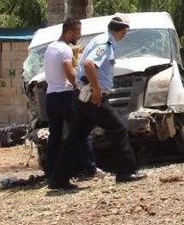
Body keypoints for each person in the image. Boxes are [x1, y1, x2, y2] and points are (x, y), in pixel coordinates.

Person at [48, 16, 146, 189]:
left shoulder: (99, 39)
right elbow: (89, 64)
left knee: (76, 138)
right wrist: (97, 89)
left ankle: (58, 179)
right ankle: (126, 172)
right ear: (122, 31)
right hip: (93, 96)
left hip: (82, 95)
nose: (126, 34)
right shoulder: (106, 44)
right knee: (118, 128)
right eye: (126, 31)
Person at [43, 18, 101, 178]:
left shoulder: (50, 48)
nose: (79, 36)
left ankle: (51, 172)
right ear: (69, 32)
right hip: (65, 96)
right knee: (81, 131)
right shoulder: (65, 50)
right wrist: (82, 88)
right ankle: (91, 170)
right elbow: (70, 73)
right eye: (78, 32)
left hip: (51, 97)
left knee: (54, 136)